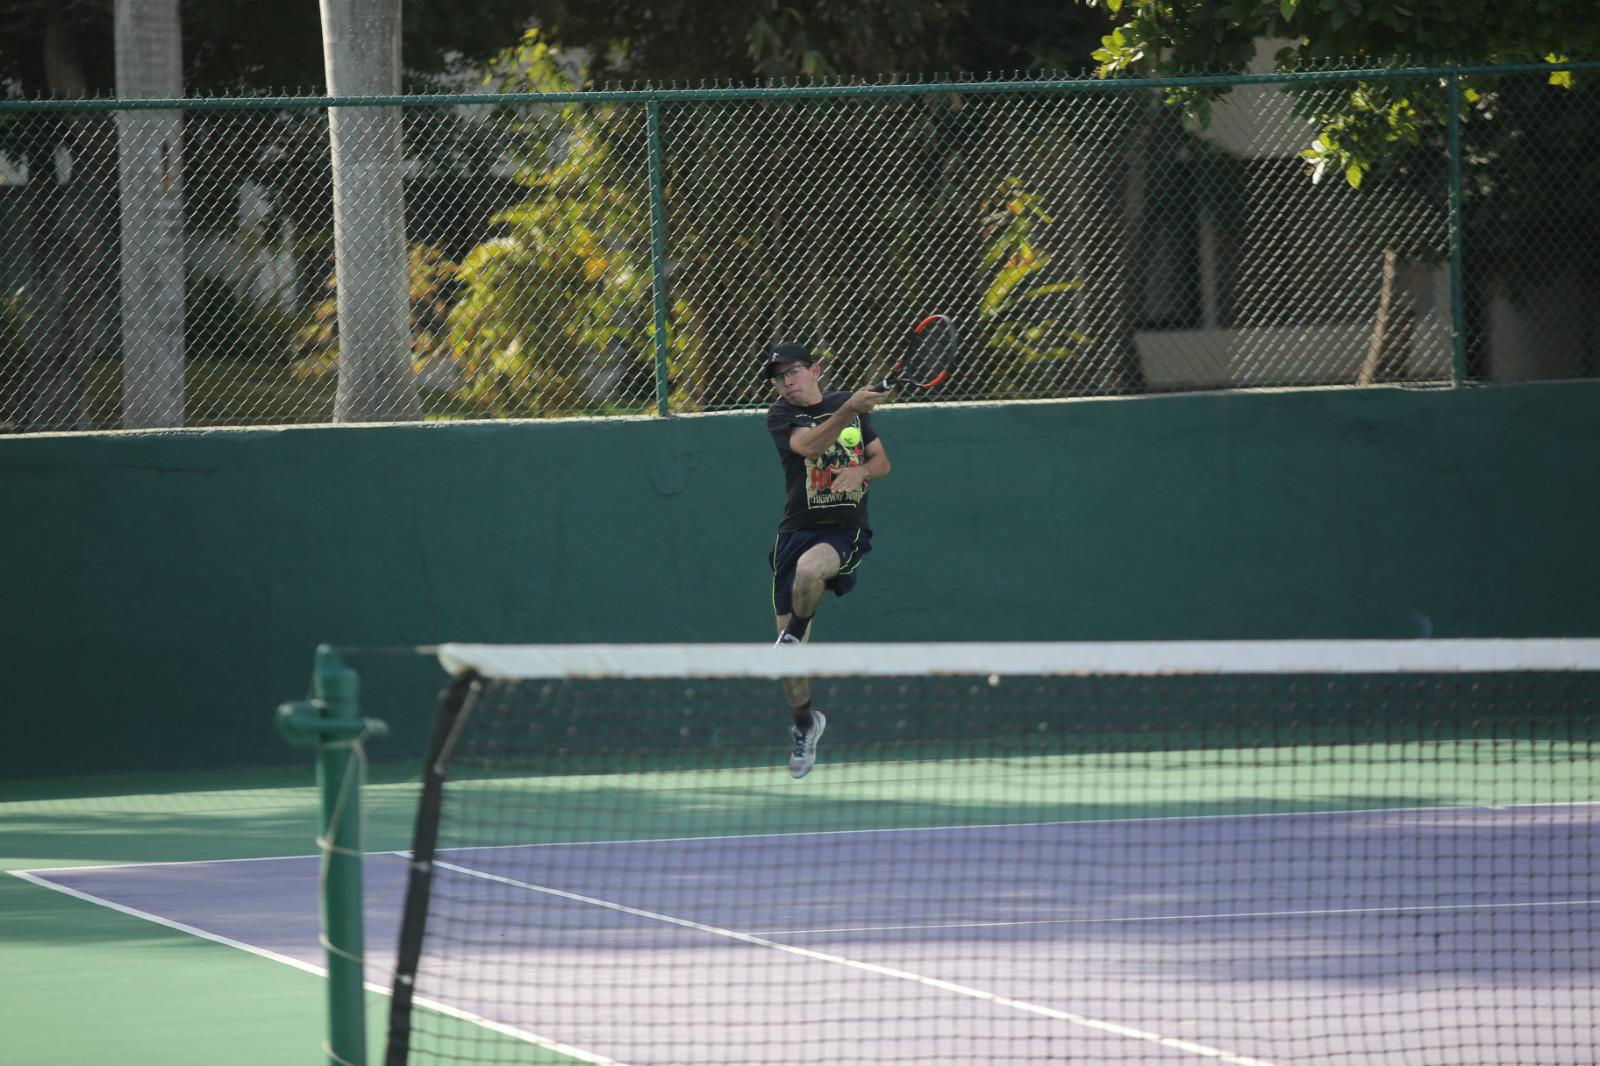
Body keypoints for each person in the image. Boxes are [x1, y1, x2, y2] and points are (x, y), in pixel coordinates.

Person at [764, 341, 891, 779]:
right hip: (794, 532)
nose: (787, 382)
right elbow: (811, 447)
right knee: (788, 666)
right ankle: (805, 723)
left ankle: (794, 636)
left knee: (811, 569)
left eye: (793, 372)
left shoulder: (851, 408)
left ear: (815, 369)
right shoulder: (781, 415)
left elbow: (881, 462)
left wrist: (862, 471)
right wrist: (848, 409)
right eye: (780, 377)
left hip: (842, 532)